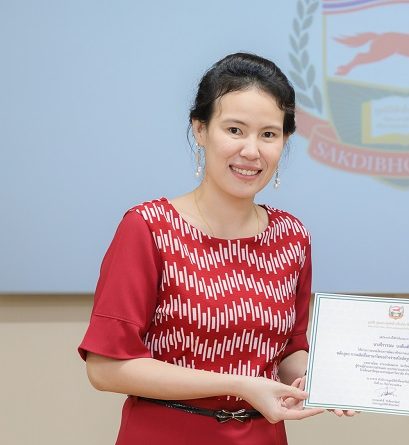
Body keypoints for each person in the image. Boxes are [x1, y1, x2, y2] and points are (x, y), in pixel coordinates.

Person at [78, 53, 326, 445]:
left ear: (285, 141)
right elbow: (105, 368)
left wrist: (328, 380)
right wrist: (239, 384)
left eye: (268, 134)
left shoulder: (292, 237)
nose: (251, 151)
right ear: (200, 129)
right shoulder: (149, 228)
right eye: (235, 130)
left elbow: (290, 351)